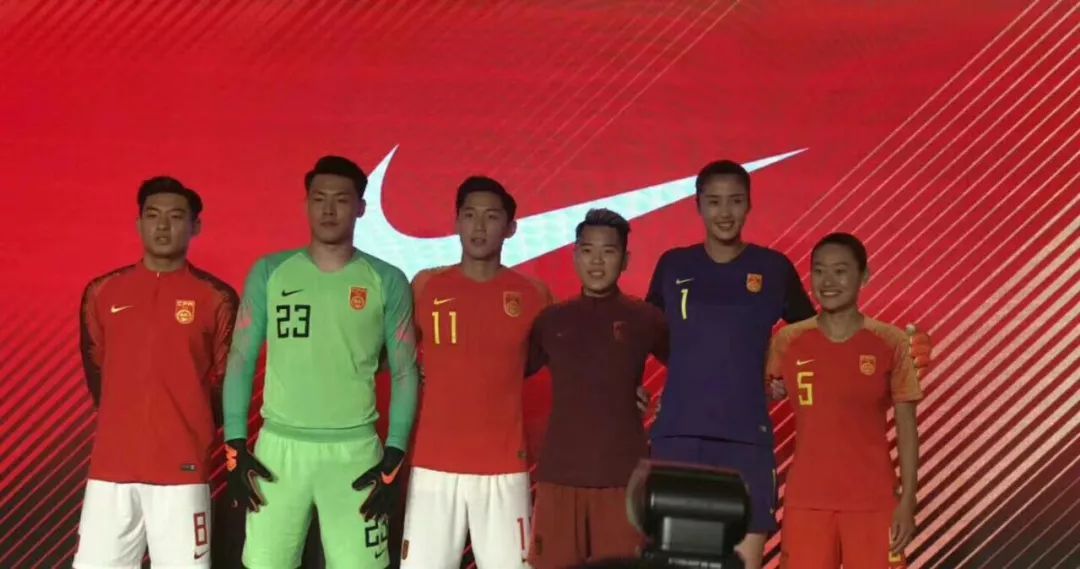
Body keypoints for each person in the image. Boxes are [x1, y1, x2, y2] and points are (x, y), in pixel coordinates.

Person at [645, 160, 931, 568]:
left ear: (749, 205)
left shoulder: (773, 269)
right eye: (714, 201)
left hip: (747, 439)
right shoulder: (674, 265)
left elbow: (816, 338)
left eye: (735, 201)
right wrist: (642, 385)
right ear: (698, 205)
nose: (725, 212)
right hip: (679, 436)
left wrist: (783, 380)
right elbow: (646, 334)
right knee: (675, 561)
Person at [221, 155, 420, 569]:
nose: (329, 209)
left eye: (341, 200)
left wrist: (395, 452)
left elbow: (405, 371)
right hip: (278, 452)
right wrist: (235, 443)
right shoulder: (270, 272)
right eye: (319, 198)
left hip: (355, 454)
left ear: (360, 208)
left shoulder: (387, 280)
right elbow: (240, 358)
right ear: (306, 203)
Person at [75, 176, 238, 568]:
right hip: (112, 469)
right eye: (153, 215)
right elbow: (98, 371)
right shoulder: (102, 292)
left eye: (176, 216)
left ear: (196, 226)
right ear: (139, 223)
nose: (163, 225)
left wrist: (188, 427)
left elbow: (224, 382)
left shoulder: (216, 297)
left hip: (182, 472)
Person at [401, 176, 553, 568]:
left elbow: (536, 361)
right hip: (434, 466)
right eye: (469, 215)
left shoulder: (534, 294)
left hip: (504, 468)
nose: (479, 226)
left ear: (511, 227)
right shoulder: (426, 286)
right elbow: (400, 361)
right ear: (456, 222)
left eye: (491, 217)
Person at [766, 233, 920, 568]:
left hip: (873, 502)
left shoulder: (890, 341)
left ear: (864, 275)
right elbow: (759, 396)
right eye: (819, 271)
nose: (828, 282)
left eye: (840, 271)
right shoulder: (789, 340)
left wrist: (908, 500)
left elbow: (907, 427)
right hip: (808, 501)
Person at [527, 209, 668, 569]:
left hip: (623, 477)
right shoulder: (550, 321)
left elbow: (690, 369)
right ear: (574, 255)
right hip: (560, 475)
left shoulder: (645, 318)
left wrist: (663, 404)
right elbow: (505, 376)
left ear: (625, 260)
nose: (596, 261)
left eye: (608, 251)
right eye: (588, 250)